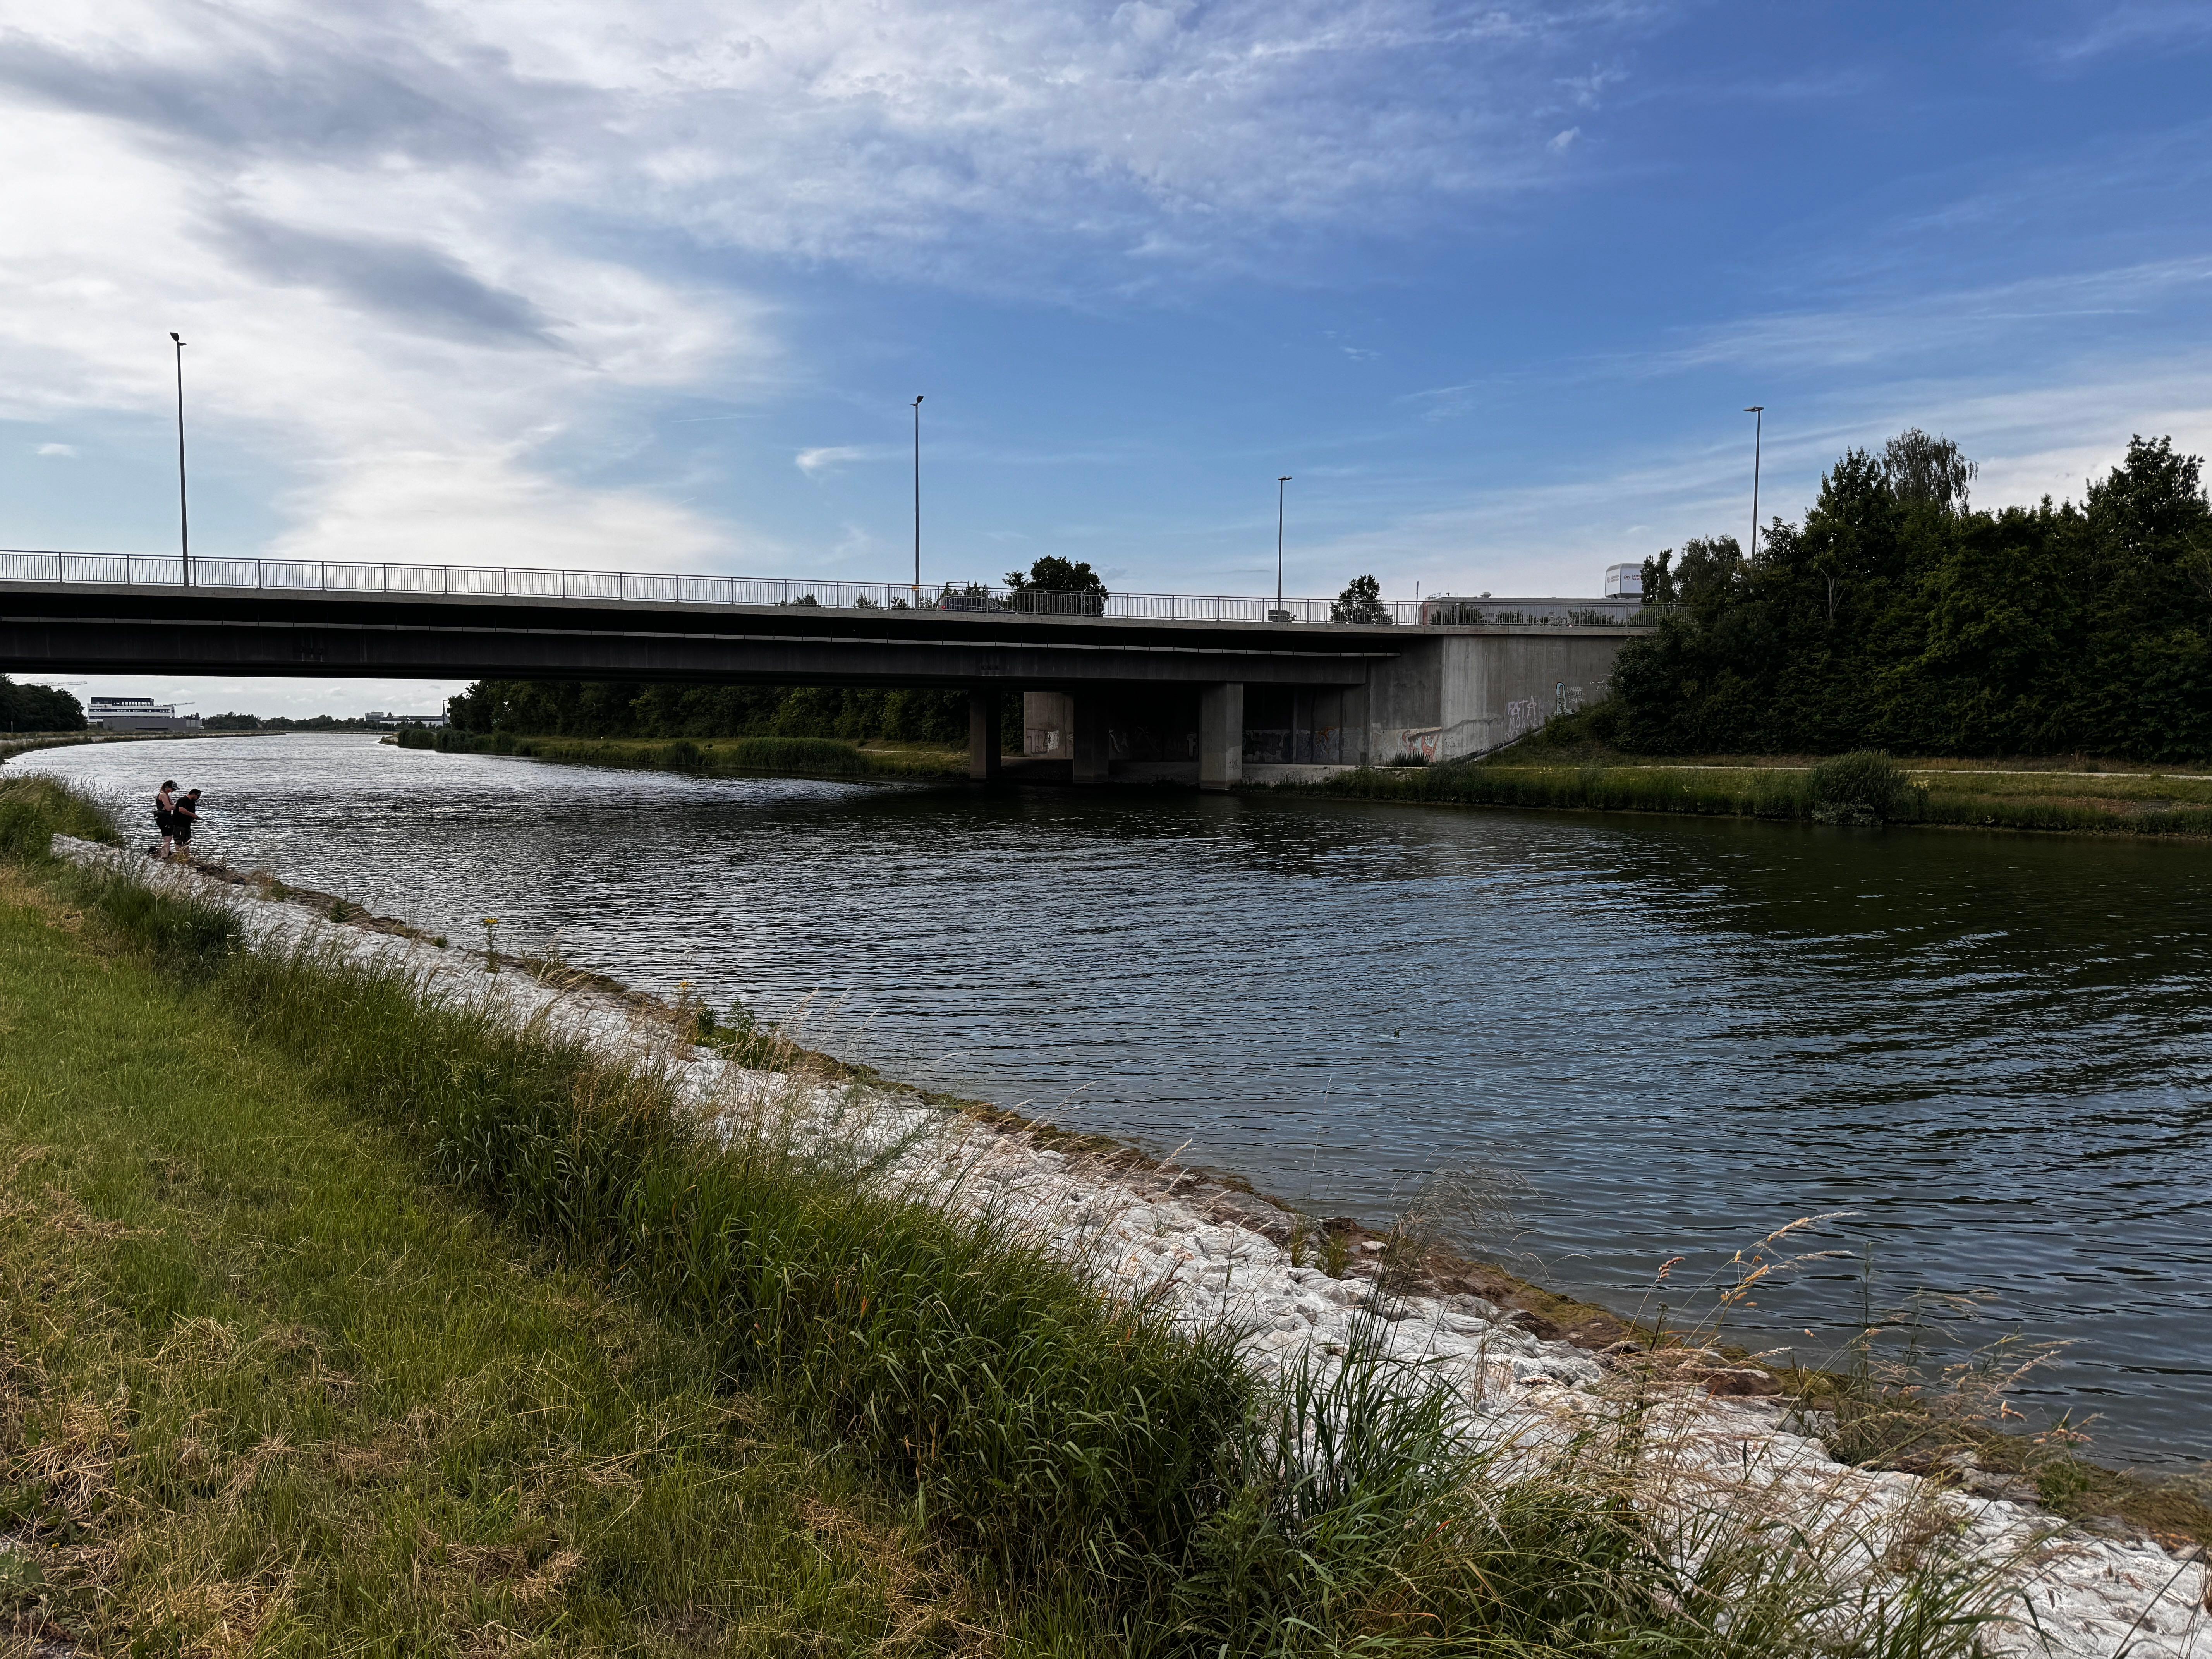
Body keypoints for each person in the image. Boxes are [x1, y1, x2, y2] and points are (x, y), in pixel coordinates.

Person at [169, 788, 202, 860]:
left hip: (187, 826)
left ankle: (187, 858)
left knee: (187, 842)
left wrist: (193, 819)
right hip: (178, 825)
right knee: (179, 842)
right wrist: (193, 815)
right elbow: (181, 809)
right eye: (198, 797)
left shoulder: (192, 803)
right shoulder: (184, 800)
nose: (198, 799)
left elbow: (190, 814)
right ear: (193, 794)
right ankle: (180, 858)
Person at [151, 780, 178, 858]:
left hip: (164, 817)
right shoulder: (163, 795)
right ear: (167, 787)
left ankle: (165, 855)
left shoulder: (166, 795)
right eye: (172, 789)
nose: (173, 791)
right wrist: (176, 806)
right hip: (163, 818)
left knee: (168, 837)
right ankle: (164, 857)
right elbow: (169, 808)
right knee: (168, 838)